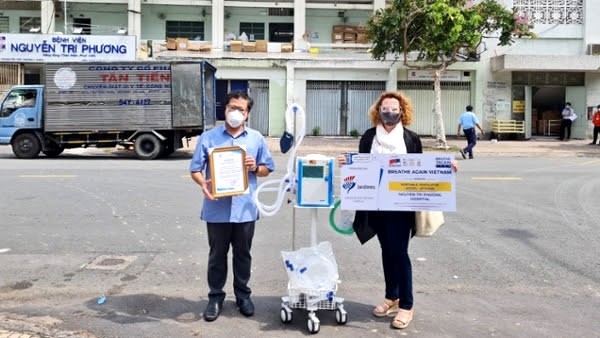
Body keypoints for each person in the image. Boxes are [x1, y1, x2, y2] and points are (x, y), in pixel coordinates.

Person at [337, 91, 457, 330]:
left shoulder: (410, 139)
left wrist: (446, 167)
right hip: (375, 204)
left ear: (402, 111)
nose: (389, 113)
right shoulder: (369, 136)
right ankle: (392, 297)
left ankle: (407, 305)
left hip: (401, 206)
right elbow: (361, 165)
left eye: (394, 109)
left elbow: (422, 168)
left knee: (399, 252)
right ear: (378, 111)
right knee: (386, 251)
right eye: (385, 109)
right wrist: (346, 163)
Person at [189, 90, 275, 322]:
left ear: (247, 114)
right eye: (232, 108)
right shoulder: (209, 137)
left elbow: (268, 169)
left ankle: (243, 296)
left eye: (241, 110)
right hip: (216, 208)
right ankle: (215, 297)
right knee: (217, 255)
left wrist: (255, 167)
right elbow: (195, 169)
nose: (236, 113)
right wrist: (203, 184)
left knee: (243, 254)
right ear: (225, 109)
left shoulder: (256, 138)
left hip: (246, 208)